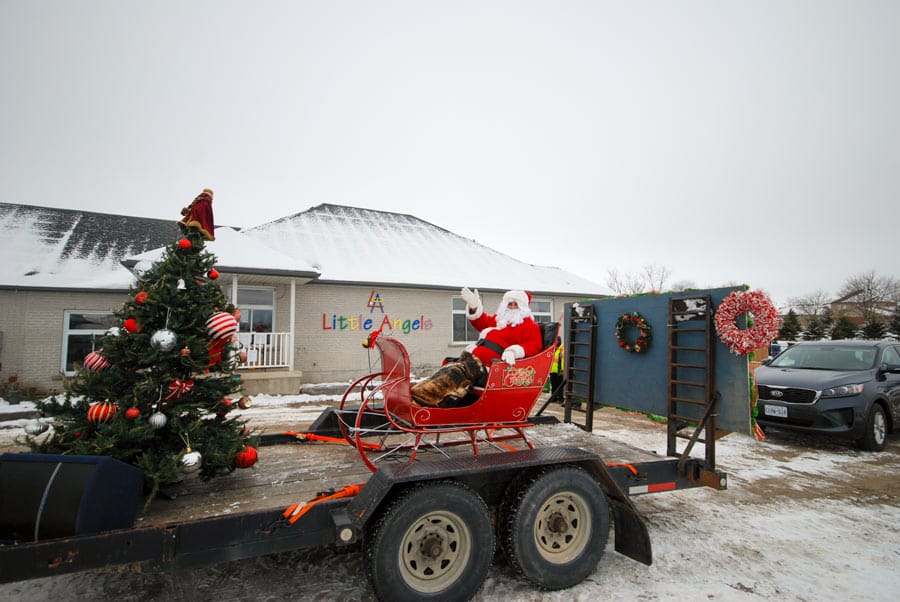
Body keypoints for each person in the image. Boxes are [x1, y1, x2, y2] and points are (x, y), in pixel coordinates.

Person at [410, 287, 544, 407]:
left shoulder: (529, 326)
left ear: (523, 307)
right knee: (448, 367)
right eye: (510, 304)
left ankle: (422, 399)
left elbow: (534, 345)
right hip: (472, 359)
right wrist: (475, 307)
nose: (512, 307)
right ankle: (415, 392)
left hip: (491, 366)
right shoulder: (500, 320)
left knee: (456, 373)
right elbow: (482, 323)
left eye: (516, 304)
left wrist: (514, 351)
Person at [549, 336, 564, 400]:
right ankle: (553, 398)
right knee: (554, 385)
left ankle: (560, 398)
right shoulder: (553, 349)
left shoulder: (561, 349)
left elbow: (563, 359)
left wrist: (563, 369)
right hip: (552, 371)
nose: (556, 342)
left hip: (560, 370)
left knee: (559, 386)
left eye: (557, 341)